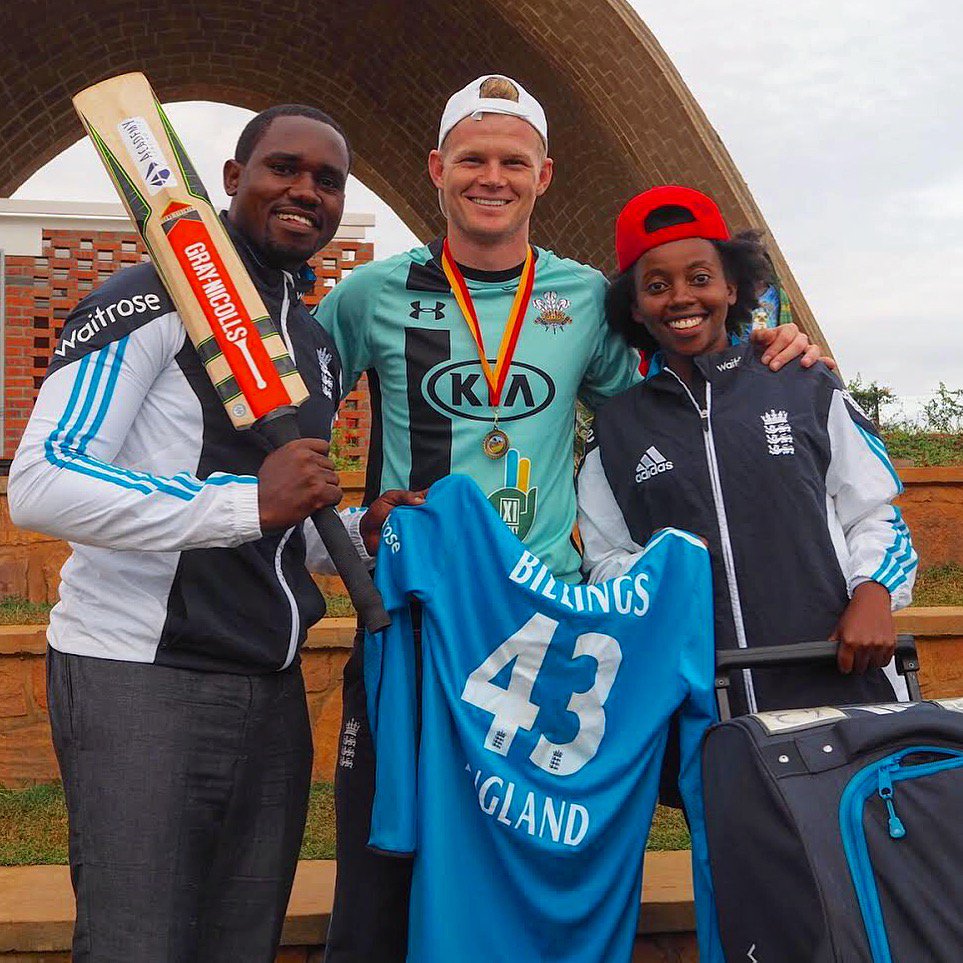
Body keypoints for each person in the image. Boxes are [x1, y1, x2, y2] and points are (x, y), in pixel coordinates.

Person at [315, 75, 826, 962]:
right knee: (381, 874)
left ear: (543, 175)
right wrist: (353, 534)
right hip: (417, 620)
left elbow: (673, 396)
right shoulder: (370, 295)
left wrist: (771, 351)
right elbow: (289, 422)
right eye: (472, 158)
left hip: (541, 631)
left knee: (538, 855)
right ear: (436, 168)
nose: (492, 177)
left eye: (513, 160)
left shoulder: (586, 298)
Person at [7, 105, 403, 963]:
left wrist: (360, 540)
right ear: (231, 179)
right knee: (135, 945)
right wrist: (244, 504)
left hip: (269, 686)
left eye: (327, 181)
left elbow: (280, 528)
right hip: (140, 677)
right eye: (283, 169)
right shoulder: (145, 295)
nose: (305, 191)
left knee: (239, 943)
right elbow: (44, 480)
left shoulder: (313, 340)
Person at [577, 185, 917, 718]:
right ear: (636, 308)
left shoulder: (806, 385)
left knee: (860, 804)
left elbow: (873, 511)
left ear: (733, 288)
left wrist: (874, 592)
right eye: (657, 285)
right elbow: (605, 561)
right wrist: (663, 578)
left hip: (841, 677)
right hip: (707, 697)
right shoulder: (615, 431)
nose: (682, 298)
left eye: (701, 278)